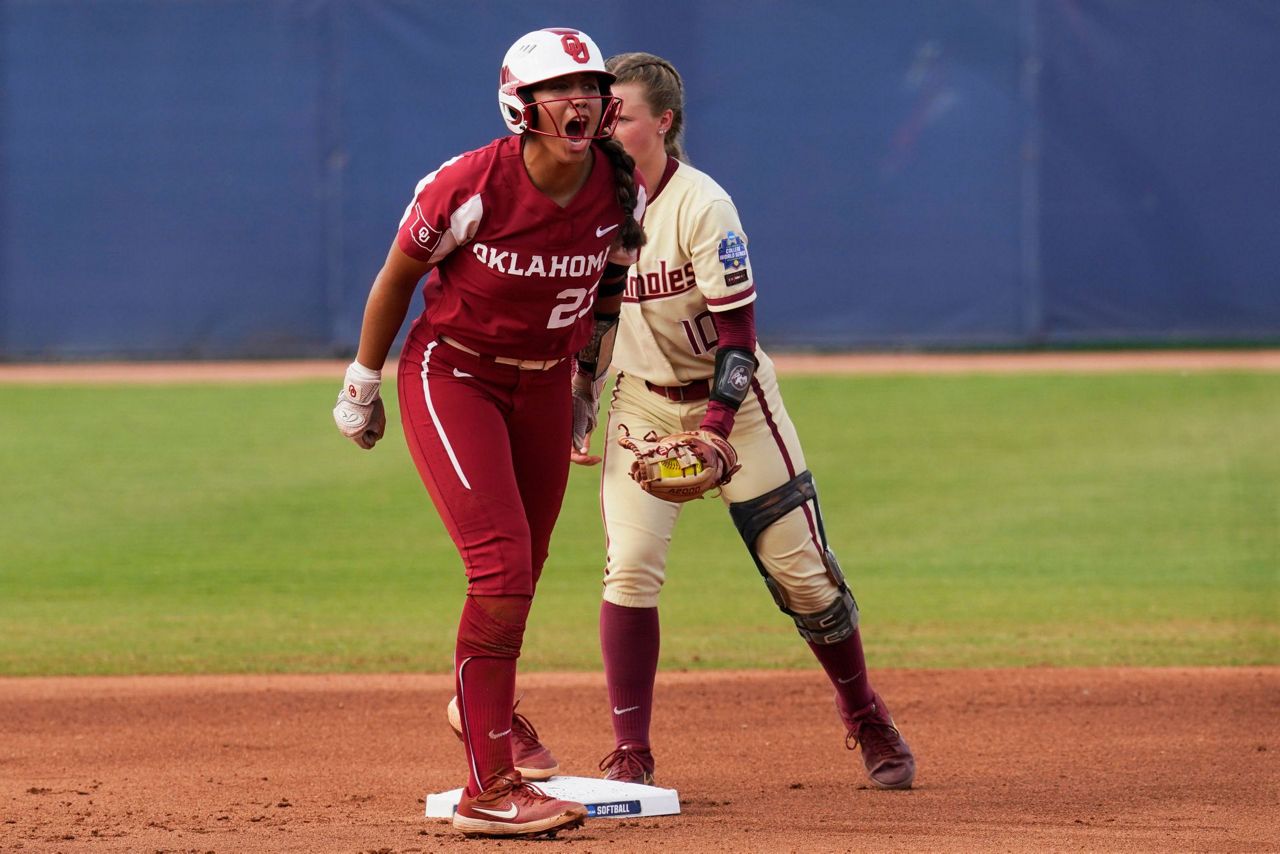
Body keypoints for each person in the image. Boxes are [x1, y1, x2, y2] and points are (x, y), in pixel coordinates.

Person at [332, 28, 645, 839]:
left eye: (590, 86)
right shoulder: (471, 185)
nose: (580, 100)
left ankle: (481, 709)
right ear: (522, 106)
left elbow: (607, 288)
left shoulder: (619, 187)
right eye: (560, 89)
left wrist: (586, 380)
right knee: (500, 565)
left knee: (527, 568)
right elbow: (398, 276)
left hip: (543, 382)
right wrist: (362, 383)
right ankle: (489, 788)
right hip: (455, 373)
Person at [583, 52, 916, 790]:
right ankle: (631, 750)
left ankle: (864, 713)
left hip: (733, 405)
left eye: (621, 112)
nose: (605, 122)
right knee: (630, 569)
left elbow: (737, 341)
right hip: (641, 401)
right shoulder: (586, 201)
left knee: (804, 580)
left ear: (662, 123)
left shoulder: (704, 206)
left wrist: (713, 429)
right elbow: (592, 315)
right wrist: (582, 397)